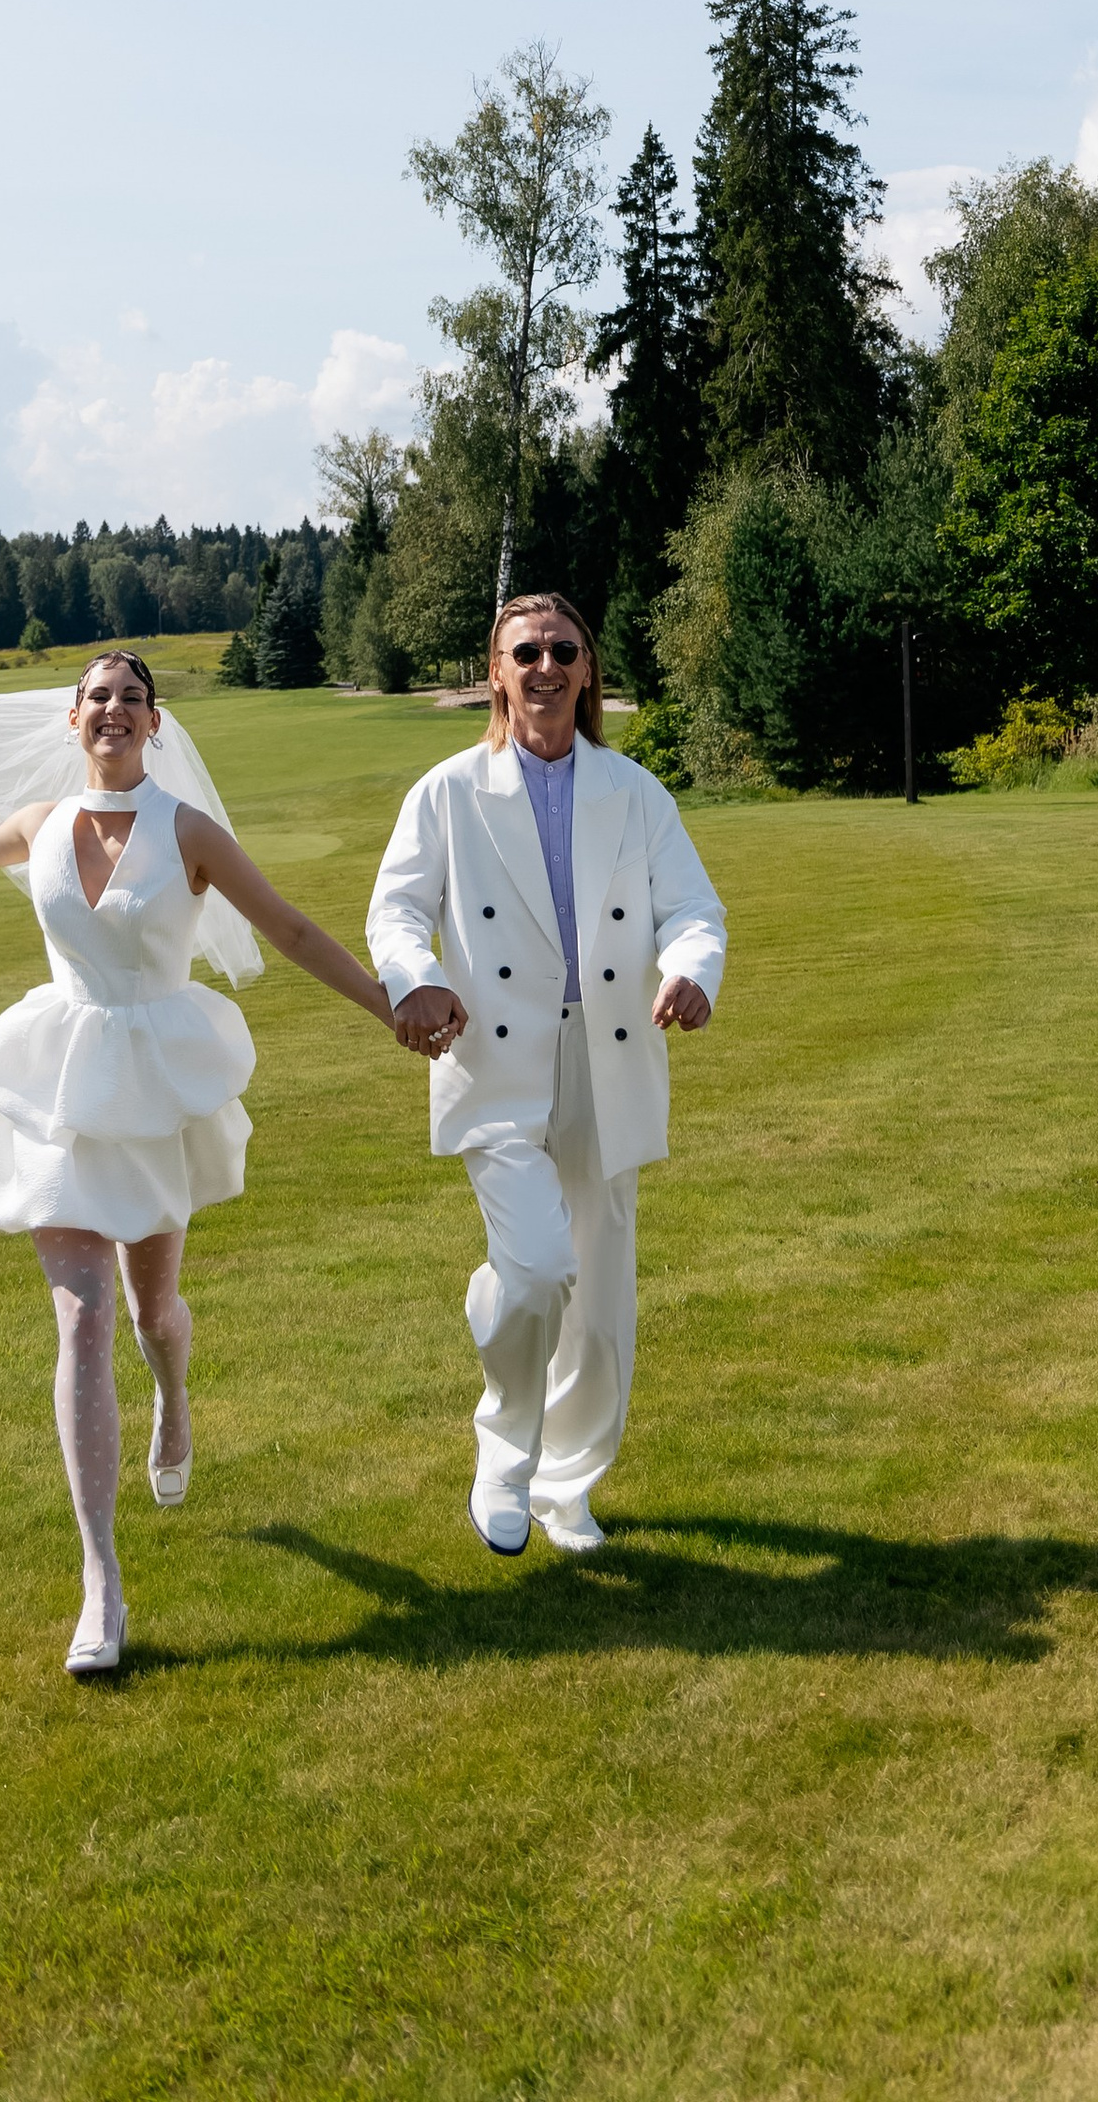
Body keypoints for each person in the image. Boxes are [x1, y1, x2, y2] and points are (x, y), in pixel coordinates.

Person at [0, 647, 405, 1678]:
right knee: (81, 1319)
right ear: (73, 719)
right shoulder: (42, 823)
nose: (115, 711)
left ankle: (175, 1399)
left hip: (155, 1085)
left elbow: (293, 928)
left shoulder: (190, 833)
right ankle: (101, 1582)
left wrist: (389, 1008)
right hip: (61, 1082)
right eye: (98, 698)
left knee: (147, 1313)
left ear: (156, 724)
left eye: (133, 698)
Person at [368, 591, 726, 1557]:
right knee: (532, 1273)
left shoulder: (637, 792)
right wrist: (418, 980)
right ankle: (503, 1456)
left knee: (599, 1300)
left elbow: (694, 907)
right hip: (492, 1055)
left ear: (587, 667)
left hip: (610, 1054)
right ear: (496, 670)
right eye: (524, 651)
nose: (545, 667)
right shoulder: (446, 792)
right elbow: (397, 911)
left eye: (563, 649)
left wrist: (691, 969)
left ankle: (567, 1488)